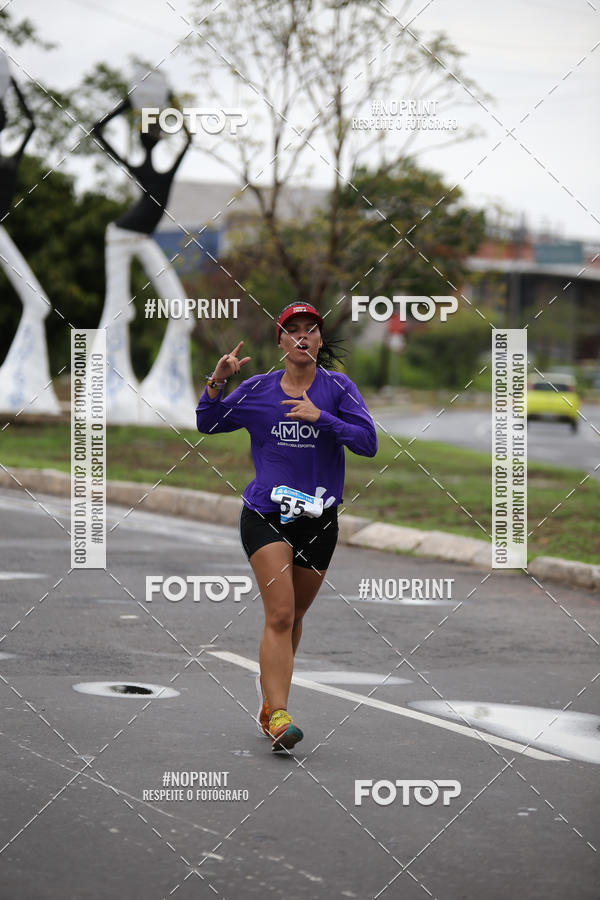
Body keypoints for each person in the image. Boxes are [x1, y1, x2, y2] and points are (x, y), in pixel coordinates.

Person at [196, 302, 377, 751]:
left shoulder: (338, 389)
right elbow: (207, 423)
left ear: (320, 339)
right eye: (292, 330)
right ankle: (279, 715)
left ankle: (270, 700)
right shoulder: (258, 390)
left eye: (310, 329)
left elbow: (368, 443)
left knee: (294, 616)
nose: (301, 336)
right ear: (280, 341)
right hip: (266, 514)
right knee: (279, 613)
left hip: (319, 519)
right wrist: (218, 381)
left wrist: (323, 419)